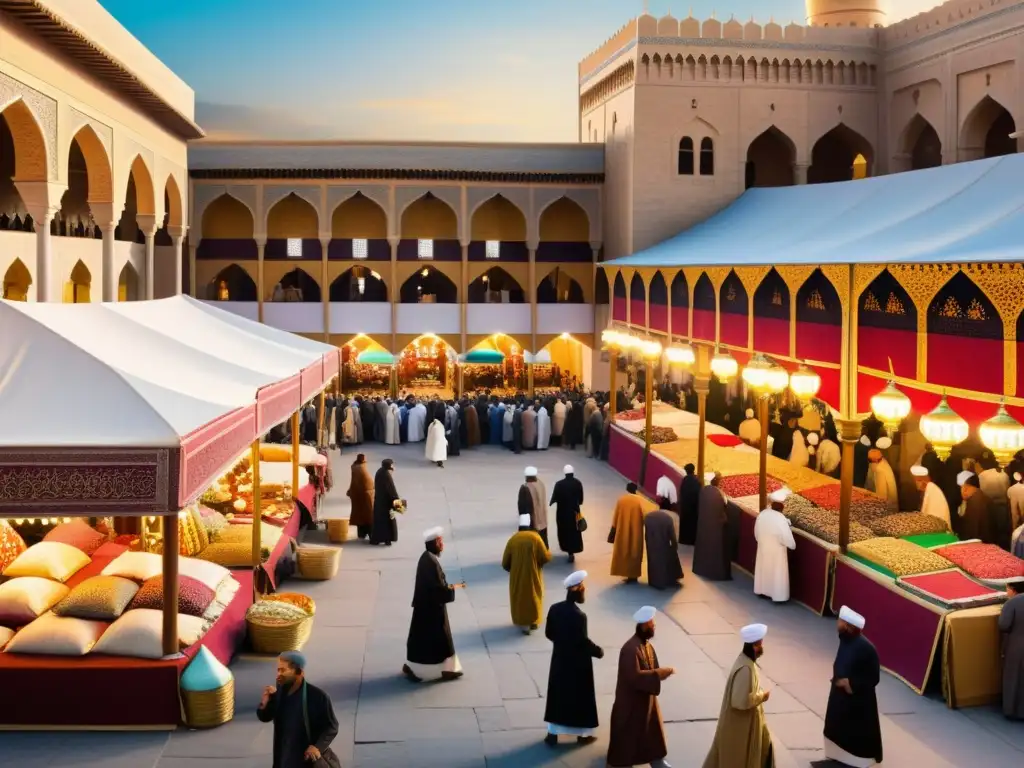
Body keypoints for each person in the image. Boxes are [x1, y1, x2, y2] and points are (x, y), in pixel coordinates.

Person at [607, 606, 674, 768]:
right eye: (652, 624)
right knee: (628, 736)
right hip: (630, 703)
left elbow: (650, 668)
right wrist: (658, 673)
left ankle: (656, 759)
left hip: (646, 699)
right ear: (644, 626)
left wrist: (657, 674)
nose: (654, 627)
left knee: (651, 731)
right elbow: (634, 677)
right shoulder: (630, 649)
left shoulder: (646, 645)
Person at [544, 570, 604, 747]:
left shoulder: (554, 609)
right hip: (578, 664)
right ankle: (583, 734)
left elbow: (549, 633)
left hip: (560, 659)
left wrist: (561, 643)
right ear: (576, 589)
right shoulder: (579, 616)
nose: (584, 591)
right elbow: (583, 642)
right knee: (580, 698)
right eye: (582, 588)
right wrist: (598, 651)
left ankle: (553, 733)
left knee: (558, 696)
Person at [702, 624, 775, 768]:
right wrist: (762, 696)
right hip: (738, 731)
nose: (762, 647)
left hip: (742, 727)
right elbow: (739, 701)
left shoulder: (746, 662)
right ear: (755, 646)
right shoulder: (745, 669)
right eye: (761, 644)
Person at [257, 651, 340, 768]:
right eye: (278, 670)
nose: (278, 675)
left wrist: (317, 747)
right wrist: (265, 703)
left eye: (283, 670)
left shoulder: (317, 697)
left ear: (299, 672)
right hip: (284, 758)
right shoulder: (280, 692)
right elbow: (265, 717)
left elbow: (332, 726)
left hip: (304, 760)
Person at [823, 606, 882, 767]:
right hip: (839, 697)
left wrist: (850, 684)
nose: (837, 624)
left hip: (857, 704)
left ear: (848, 626)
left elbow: (873, 678)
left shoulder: (867, 649)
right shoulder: (845, 640)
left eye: (840, 621)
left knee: (855, 735)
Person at [404, 527, 464, 682]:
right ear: (434, 543)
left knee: (422, 641)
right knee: (440, 640)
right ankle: (447, 669)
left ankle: (416, 667)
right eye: (440, 541)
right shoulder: (430, 562)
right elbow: (437, 588)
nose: (442, 544)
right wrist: (450, 589)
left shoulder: (427, 558)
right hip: (431, 608)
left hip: (427, 607)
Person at [502, 513, 552, 634]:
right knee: (534, 597)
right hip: (533, 576)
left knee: (520, 599)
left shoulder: (513, 540)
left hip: (517, 577)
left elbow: (505, 563)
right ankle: (534, 622)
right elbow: (545, 557)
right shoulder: (535, 538)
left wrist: (512, 569)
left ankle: (523, 624)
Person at [753, 488, 797, 603]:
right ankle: (777, 596)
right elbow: (790, 543)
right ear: (782, 508)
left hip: (763, 549)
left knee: (764, 570)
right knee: (776, 575)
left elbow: (756, 534)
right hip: (777, 554)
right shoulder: (781, 519)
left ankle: (762, 591)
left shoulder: (762, 514)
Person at [693, 472, 731, 581]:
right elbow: (725, 506)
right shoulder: (720, 494)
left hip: (704, 525)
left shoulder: (704, 490)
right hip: (717, 527)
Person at [609, 482, 646, 583]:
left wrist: (613, 530)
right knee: (635, 551)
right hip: (636, 531)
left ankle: (625, 572)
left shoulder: (621, 500)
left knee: (623, 550)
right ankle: (633, 575)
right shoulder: (640, 501)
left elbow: (615, 517)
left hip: (622, 531)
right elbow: (645, 516)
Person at [999, 578, 1024, 720]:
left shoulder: (1012, 603)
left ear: (1014, 589)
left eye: (1007, 588)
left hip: (1017, 646)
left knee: (1014, 678)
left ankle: (1013, 711)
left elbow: (1004, 625)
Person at [549, 464, 585, 563]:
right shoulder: (578, 483)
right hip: (574, 512)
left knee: (564, 531)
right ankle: (572, 550)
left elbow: (553, 498)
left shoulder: (559, 484)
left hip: (562, 513)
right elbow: (581, 500)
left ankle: (567, 549)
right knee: (574, 531)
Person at [644, 501, 683, 590]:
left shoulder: (649, 516)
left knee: (653, 561)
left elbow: (647, 532)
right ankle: (668, 579)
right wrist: (674, 544)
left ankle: (653, 580)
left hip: (651, 542)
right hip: (664, 543)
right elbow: (672, 534)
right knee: (665, 560)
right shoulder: (669, 518)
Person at [369, 458, 402, 546]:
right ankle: (387, 539)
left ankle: (377, 539)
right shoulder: (386, 475)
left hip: (379, 501)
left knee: (379, 522)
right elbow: (392, 490)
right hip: (386, 503)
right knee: (388, 522)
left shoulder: (380, 471)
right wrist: (399, 505)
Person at [958, 471, 995, 544]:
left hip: (979, 546)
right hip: (989, 543)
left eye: (961, 487)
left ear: (965, 487)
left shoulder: (974, 502)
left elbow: (973, 531)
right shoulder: (982, 496)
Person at [517, 466, 549, 548]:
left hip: (533, 521)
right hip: (542, 520)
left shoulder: (525, 488)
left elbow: (523, 507)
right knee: (543, 541)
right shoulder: (540, 483)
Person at [911, 464, 951, 530]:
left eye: (918, 480)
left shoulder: (932, 490)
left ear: (923, 480)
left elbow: (929, 517)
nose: (916, 483)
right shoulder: (929, 489)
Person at [866, 437, 898, 512]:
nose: (869, 462)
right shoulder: (882, 462)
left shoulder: (879, 470)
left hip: (885, 507)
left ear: (875, 460)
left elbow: (881, 494)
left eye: (870, 460)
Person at [346, 453, 374, 540]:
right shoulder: (361, 468)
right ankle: (369, 533)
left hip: (357, 494)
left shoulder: (354, 467)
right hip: (365, 495)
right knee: (368, 515)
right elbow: (368, 482)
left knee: (359, 515)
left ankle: (361, 534)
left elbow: (354, 481)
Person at [678, 463, 701, 546]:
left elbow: (682, 493)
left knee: (685, 524)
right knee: (692, 524)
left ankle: (684, 540)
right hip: (694, 507)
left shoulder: (685, 480)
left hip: (685, 506)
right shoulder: (696, 480)